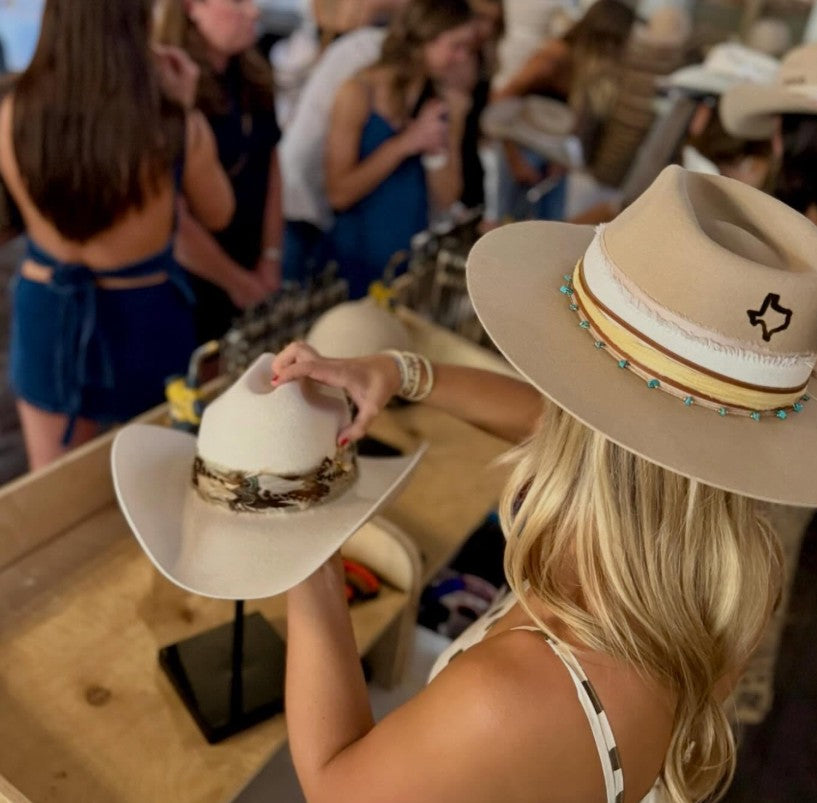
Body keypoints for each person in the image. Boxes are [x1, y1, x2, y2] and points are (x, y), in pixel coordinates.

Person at [270, 164, 815, 801]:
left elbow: (335, 786)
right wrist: (406, 372)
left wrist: (308, 555)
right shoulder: (737, 578)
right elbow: (579, 436)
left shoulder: (510, 695)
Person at [0, 0, 235, 470]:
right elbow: (218, 213)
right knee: (155, 482)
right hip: (144, 314)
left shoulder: (11, 111)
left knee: (57, 494)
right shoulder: (169, 123)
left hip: (49, 308)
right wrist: (186, 107)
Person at [325, 0, 475, 299]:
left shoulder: (439, 102)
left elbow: (446, 198)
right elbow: (338, 194)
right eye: (455, 46)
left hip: (407, 264)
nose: (461, 58)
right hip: (355, 259)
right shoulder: (357, 92)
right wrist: (406, 143)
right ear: (425, 39)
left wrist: (437, 149)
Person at [155, 0, 284, 343]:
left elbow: (270, 162)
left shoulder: (252, 71)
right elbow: (170, 214)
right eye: (238, 2)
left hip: (252, 256)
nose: (254, 12)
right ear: (191, 7)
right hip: (194, 276)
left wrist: (270, 257)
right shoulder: (169, 84)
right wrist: (237, 282)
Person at [486, 0, 635, 224]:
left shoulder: (587, 65)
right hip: (521, 148)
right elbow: (501, 99)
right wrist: (514, 158)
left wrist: (561, 159)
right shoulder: (554, 58)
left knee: (547, 231)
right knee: (507, 227)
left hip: (553, 156)